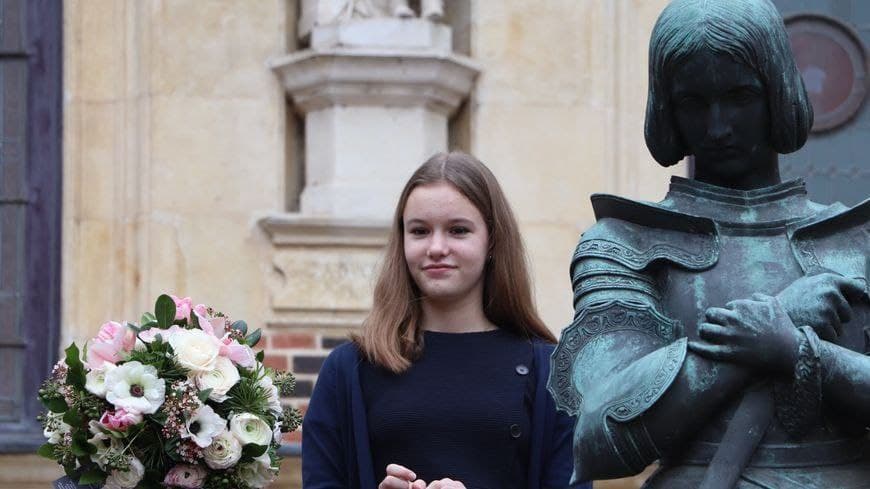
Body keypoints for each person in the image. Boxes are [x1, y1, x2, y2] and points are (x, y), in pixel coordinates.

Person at [548, 0, 870, 487]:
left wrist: (797, 351)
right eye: (693, 103)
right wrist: (771, 320)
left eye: (740, 97)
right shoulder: (622, 244)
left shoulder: (857, 240)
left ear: (776, 92)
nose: (718, 127)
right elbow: (602, 434)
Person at [303, 151, 587, 489]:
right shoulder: (347, 370)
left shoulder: (552, 375)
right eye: (420, 231)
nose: (436, 247)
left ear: (492, 240)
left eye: (458, 230)